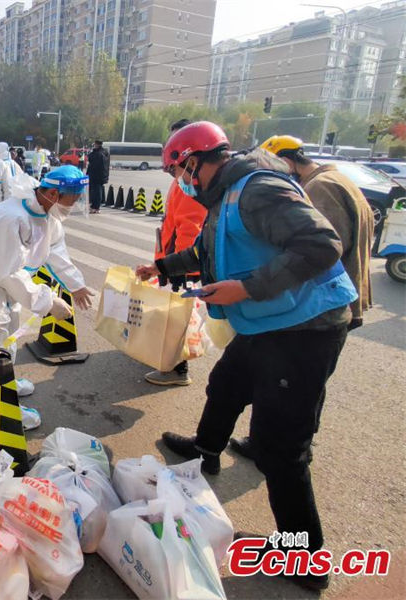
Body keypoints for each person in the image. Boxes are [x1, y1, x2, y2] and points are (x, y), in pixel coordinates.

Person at [135, 121, 356, 591]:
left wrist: (248, 288)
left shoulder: (258, 189)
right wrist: (162, 267)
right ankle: (206, 451)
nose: (180, 181)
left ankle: (305, 557)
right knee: (227, 383)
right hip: (267, 321)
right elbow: (206, 250)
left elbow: (321, 245)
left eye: (178, 171)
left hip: (303, 329)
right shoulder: (224, 197)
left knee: (281, 449)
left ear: (193, 161)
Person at [228, 135, 376, 460]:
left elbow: (316, 251)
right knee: (303, 384)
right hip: (341, 298)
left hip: (323, 305)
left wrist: (252, 285)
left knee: (297, 386)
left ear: (289, 162)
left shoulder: (320, 188)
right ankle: (281, 443)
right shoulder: (339, 179)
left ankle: (292, 448)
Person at [0, 165, 95, 426]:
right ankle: (2, 408)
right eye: (74, 198)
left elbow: (55, 251)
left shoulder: (47, 216)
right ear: (55, 195)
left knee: (9, 334)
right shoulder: (11, 217)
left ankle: (6, 383)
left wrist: (75, 285)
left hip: (7, 285)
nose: (75, 204)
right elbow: (9, 272)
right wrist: (47, 302)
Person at [145, 120, 208, 386]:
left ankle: (176, 369)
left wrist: (176, 266)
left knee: (178, 317)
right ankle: (171, 361)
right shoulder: (181, 179)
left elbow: (190, 227)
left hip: (180, 262)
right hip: (171, 258)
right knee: (175, 315)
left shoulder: (191, 182)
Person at [86, 140, 110, 213]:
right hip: (103, 175)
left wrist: (91, 152)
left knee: (95, 192)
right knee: (99, 191)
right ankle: (97, 207)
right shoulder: (105, 152)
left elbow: (91, 159)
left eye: (95, 145)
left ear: (97, 145)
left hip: (95, 176)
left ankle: (94, 207)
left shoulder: (97, 154)